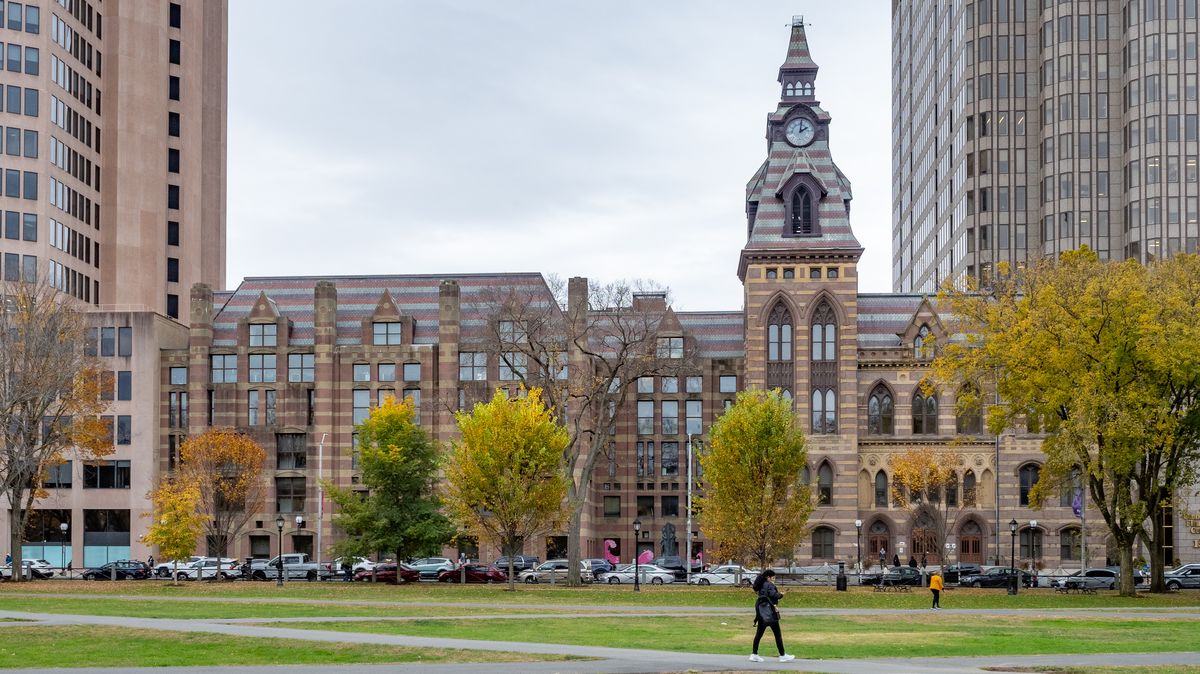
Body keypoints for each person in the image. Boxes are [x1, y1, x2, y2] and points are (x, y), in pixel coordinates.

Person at [749, 570, 795, 664]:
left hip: (762, 613)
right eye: (773, 578)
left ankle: (754, 654)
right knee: (777, 634)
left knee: (759, 634)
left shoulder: (761, 584)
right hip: (770, 612)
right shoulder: (769, 585)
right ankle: (782, 655)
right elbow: (773, 595)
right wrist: (781, 594)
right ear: (768, 577)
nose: (774, 580)